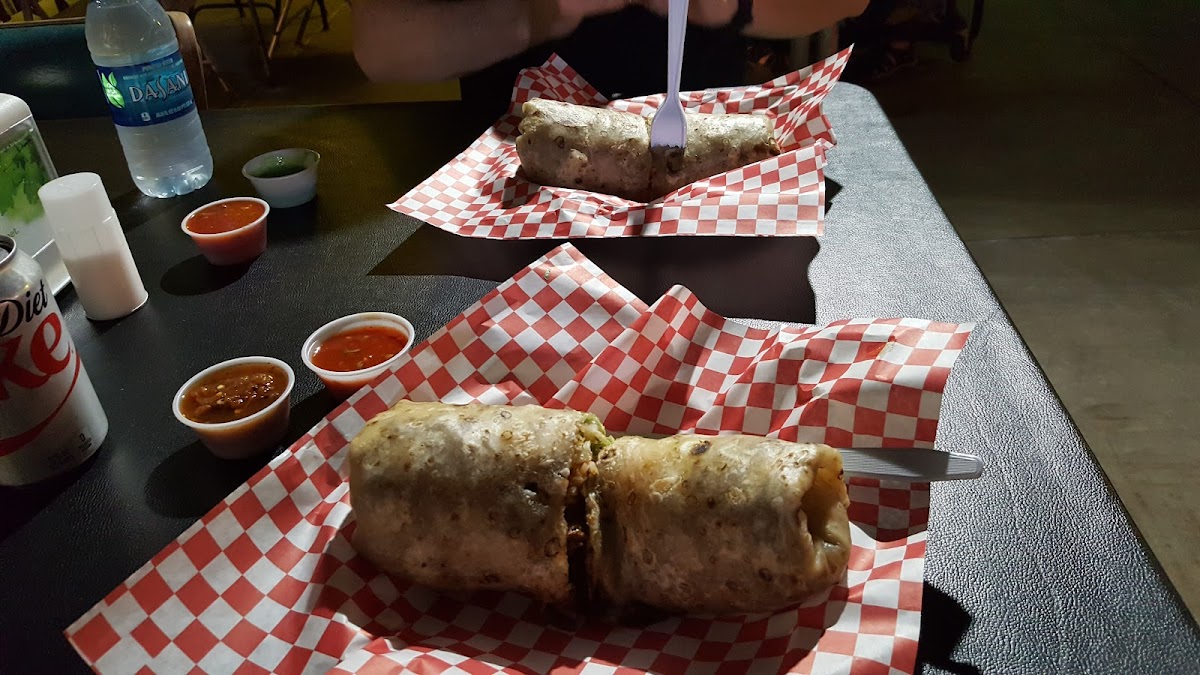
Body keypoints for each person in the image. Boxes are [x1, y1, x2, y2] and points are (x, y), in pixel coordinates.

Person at [353, 0, 868, 123]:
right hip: (506, 183)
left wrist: (727, 5)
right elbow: (382, 48)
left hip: (706, 177)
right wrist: (547, 11)